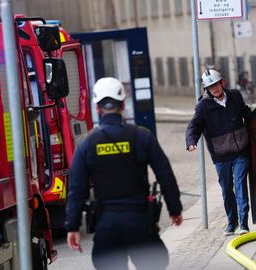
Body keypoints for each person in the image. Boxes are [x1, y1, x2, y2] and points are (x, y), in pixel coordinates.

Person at [65, 77, 183, 269]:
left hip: (106, 225)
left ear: (97, 108)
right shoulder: (142, 136)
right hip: (139, 222)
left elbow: (77, 189)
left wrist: (72, 226)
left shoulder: (86, 144)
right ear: (122, 104)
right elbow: (165, 174)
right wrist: (175, 209)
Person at [186, 68, 251, 236]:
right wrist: (191, 141)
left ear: (222, 82)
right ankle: (232, 222)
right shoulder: (203, 106)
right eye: (210, 86)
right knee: (226, 189)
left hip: (240, 151)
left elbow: (246, 113)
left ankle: (244, 224)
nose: (214, 88)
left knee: (240, 184)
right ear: (206, 89)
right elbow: (194, 125)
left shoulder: (235, 96)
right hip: (221, 155)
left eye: (216, 84)